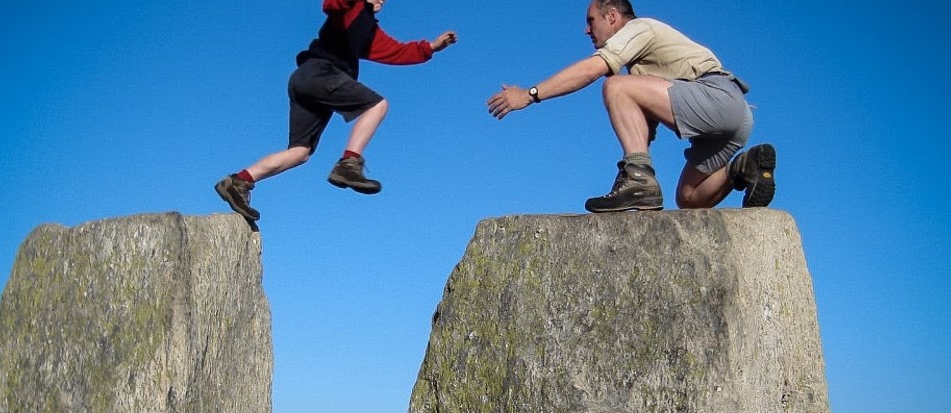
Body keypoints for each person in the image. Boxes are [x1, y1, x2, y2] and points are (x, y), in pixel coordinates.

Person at [487, 0, 775, 212]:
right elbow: (643, 132)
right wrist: (631, 164)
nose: (587, 30)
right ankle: (743, 168)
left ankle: (639, 180)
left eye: (591, 20)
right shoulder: (640, 68)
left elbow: (592, 70)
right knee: (689, 199)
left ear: (612, 16)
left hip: (716, 96)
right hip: (734, 117)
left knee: (613, 85)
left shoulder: (639, 28)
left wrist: (530, 94)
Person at [216, 0, 458, 221]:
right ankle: (349, 163)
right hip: (321, 72)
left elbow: (399, 51)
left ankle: (239, 181)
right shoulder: (351, 9)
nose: (382, 2)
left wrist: (432, 47)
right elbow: (331, 4)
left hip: (305, 81)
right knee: (378, 105)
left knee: (300, 152)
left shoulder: (369, 32)